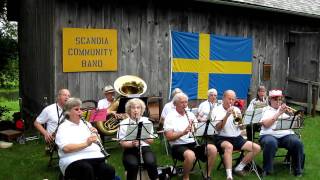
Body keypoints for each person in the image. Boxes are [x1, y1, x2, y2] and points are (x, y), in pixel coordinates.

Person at [55, 98, 115, 180]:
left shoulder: (86, 124)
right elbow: (66, 148)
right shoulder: (63, 127)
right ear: (68, 113)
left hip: (94, 157)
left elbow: (98, 142)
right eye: (76, 109)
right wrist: (86, 144)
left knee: (109, 170)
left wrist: (97, 135)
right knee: (86, 169)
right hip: (73, 159)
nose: (80, 112)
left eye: (81, 109)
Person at [164, 93, 218, 180]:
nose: (185, 105)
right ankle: (186, 177)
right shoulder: (170, 117)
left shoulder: (190, 115)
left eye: (186, 102)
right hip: (177, 145)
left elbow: (197, 130)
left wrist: (196, 129)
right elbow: (169, 137)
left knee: (213, 149)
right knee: (190, 155)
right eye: (182, 102)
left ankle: (207, 175)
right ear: (175, 104)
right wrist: (182, 133)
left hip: (192, 143)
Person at [213, 90, 261, 180]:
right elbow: (218, 128)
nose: (231, 101)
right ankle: (229, 175)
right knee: (229, 147)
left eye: (233, 99)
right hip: (222, 137)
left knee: (256, 148)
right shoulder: (217, 110)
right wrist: (227, 115)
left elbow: (240, 127)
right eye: (229, 99)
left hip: (237, 137)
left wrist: (242, 124)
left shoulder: (236, 109)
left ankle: (239, 167)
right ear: (223, 98)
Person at [259, 89, 304, 177]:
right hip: (268, 135)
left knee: (297, 143)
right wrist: (278, 113)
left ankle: (298, 169)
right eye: (275, 99)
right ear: (270, 100)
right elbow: (266, 125)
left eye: (280, 99)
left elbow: (295, 125)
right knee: (270, 143)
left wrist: (295, 117)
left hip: (285, 135)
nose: (278, 101)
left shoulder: (284, 110)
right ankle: (267, 169)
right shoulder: (265, 110)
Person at [117, 98, 159, 180]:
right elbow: (122, 143)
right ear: (129, 110)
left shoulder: (147, 121)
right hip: (130, 150)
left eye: (138, 108)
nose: (136, 110)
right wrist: (131, 144)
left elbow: (151, 141)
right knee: (133, 164)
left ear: (141, 109)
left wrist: (143, 136)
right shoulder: (123, 123)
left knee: (150, 162)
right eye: (133, 108)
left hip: (144, 148)